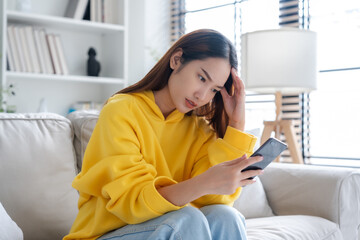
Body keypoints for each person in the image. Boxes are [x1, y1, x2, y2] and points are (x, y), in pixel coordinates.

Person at [63, 29, 263, 240]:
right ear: (176, 60)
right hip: (104, 235)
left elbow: (213, 200)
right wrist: (203, 182)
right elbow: (132, 202)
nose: (202, 95)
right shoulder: (122, 110)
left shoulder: (199, 129)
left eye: (214, 90)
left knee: (226, 216)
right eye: (202, 78)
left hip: (164, 229)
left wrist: (236, 124)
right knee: (185, 219)